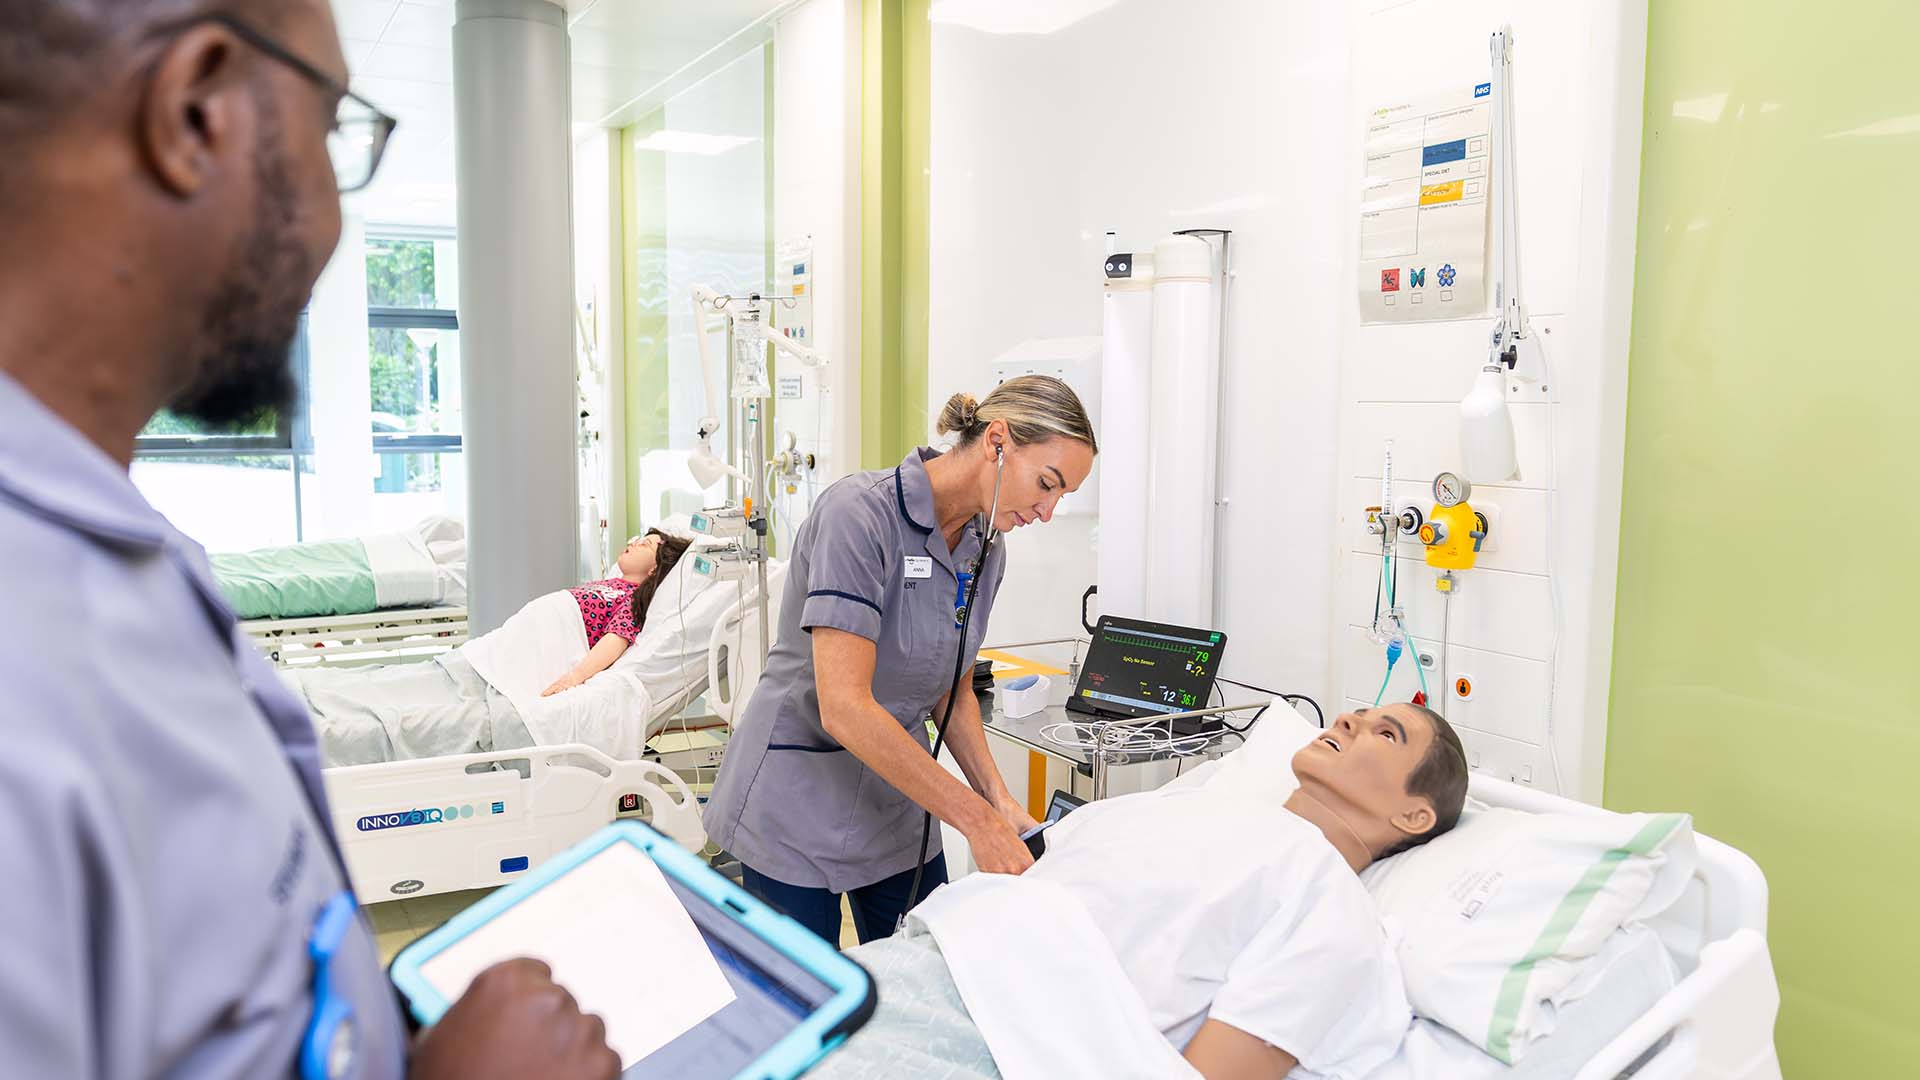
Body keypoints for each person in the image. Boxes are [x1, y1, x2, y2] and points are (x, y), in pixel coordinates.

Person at [0, 3, 616, 1077]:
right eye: (333, 131)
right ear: (195, 112)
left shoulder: (136, 559)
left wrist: (382, 1035)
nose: (335, 222)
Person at [813, 703, 1472, 1079]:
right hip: (913, 965)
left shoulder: (1332, 909)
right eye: (1363, 714)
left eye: (1388, 734)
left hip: (996, 1037)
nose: (1355, 720)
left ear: (1414, 816)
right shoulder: (1186, 806)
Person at [703, 376, 1098, 945]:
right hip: (796, 800)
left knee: (929, 978)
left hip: (897, 808)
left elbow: (952, 692)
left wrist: (1000, 800)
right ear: (998, 441)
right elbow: (844, 707)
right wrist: (977, 820)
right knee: (811, 1010)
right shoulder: (858, 516)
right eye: (1047, 484)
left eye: (1062, 496)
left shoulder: (984, 548)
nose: (1047, 511)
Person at [543, 529, 693, 696]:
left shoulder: (633, 598)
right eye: (638, 539)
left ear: (654, 568)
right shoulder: (610, 584)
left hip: (553, 634)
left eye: (645, 544)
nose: (633, 544)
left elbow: (616, 639)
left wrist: (574, 677)